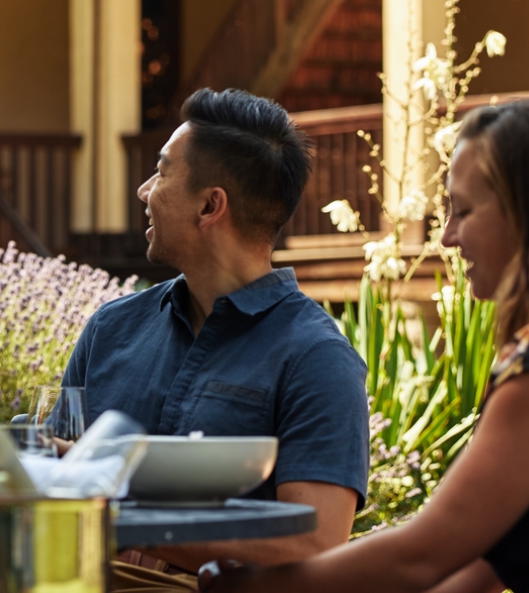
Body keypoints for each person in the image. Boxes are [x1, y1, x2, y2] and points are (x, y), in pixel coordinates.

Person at [201, 96, 529, 593]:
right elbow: (488, 565)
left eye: (462, 210)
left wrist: (258, 585)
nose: (446, 237)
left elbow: (420, 557)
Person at [56, 88, 370, 591]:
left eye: (160, 172)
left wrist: (119, 518)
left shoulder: (317, 358)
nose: (144, 190)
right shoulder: (110, 329)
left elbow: (314, 545)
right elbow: (54, 484)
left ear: (209, 205)